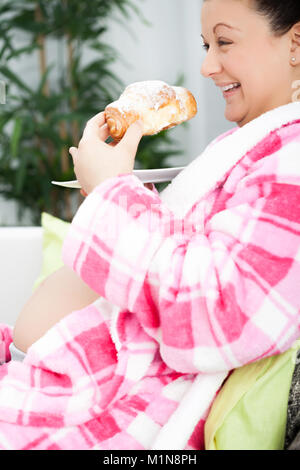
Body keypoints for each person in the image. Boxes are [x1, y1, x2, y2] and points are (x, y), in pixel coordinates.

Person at [0, 0, 300, 450]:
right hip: (55, 377)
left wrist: (113, 191)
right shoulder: (251, 145)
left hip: (96, 405)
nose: (206, 66)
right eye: (205, 44)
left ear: (296, 42)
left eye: (224, 42)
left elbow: (218, 314)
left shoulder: (292, 162)